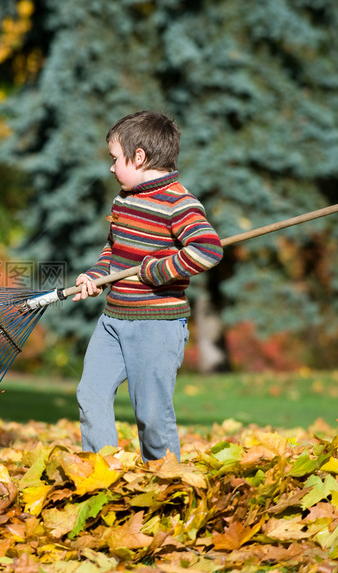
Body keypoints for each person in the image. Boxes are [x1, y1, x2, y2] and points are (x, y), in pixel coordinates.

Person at [73, 111, 223, 462]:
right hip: (113, 320)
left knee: (152, 416)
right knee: (90, 394)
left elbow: (208, 250)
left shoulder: (178, 202)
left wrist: (154, 272)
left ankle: (168, 485)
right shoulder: (124, 200)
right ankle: (102, 474)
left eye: (115, 159)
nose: (111, 168)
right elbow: (114, 250)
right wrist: (95, 275)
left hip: (157, 325)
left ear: (138, 156)